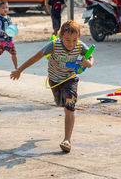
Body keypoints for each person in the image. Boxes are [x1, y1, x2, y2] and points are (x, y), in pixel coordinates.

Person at [10, 20, 94, 153]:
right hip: (54, 80)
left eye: (74, 40)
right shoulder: (54, 45)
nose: (71, 44)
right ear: (61, 37)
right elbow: (35, 58)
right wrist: (19, 70)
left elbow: (90, 57)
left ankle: (67, 140)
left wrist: (88, 62)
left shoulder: (80, 46)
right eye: (67, 40)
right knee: (60, 103)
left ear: (78, 37)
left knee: (69, 106)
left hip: (70, 79)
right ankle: (64, 110)